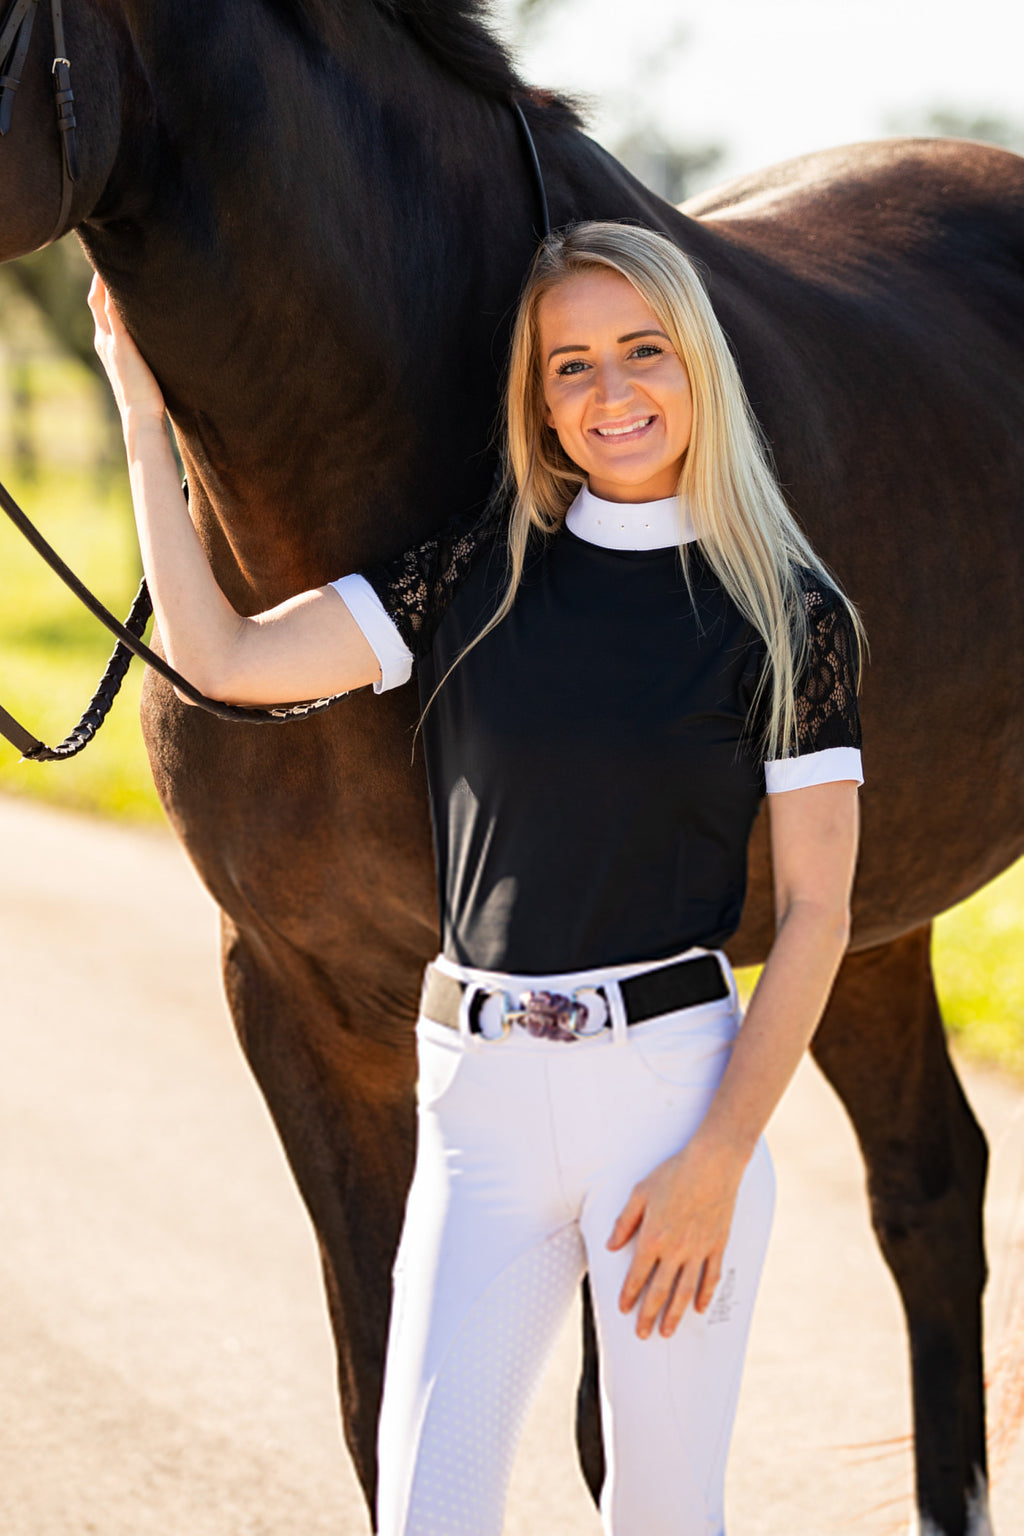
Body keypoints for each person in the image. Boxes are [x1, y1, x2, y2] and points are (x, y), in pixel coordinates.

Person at [90, 220, 863, 1536]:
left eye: (643, 351)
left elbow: (816, 914)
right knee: (426, 1514)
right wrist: (141, 417)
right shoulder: (471, 575)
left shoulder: (789, 613)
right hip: (478, 1108)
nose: (611, 391)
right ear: (538, 401)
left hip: (669, 1106)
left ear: (698, 364)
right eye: (571, 365)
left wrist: (720, 1158)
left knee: (664, 1515)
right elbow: (221, 658)